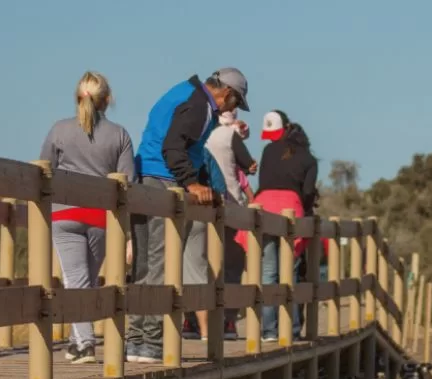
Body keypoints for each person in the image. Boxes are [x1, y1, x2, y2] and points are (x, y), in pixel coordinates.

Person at [127, 68, 250, 363]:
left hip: (144, 178)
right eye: (235, 103)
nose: (231, 109)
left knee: (144, 264)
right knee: (162, 262)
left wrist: (201, 180)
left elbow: (182, 148)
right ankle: (152, 343)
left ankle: (135, 340)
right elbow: (174, 147)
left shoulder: (184, 92)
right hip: (164, 182)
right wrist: (191, 183)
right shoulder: (200, 104)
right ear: (227, 94)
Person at [39, 71, 136, 364]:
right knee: (86, 279)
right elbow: (127, 182)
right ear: (107, 100)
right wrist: (129, 233)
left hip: (65, 212)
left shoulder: (59, 130)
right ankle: (76, 341)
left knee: (77, 280)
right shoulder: (119, 134)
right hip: (101, 217)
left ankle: (84, 344)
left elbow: (43, 169)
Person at [253, 110, 319, 341]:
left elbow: (263, 181)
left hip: (264, 205)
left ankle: (268, 331)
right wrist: (306, 207)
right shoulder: (308, 159)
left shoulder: (269, 150)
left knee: (268, 271)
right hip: (291, 208)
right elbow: (308, 192)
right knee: (289, 273)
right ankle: (290, 330)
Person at [204, 110, 258, 340]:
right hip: (229, 204)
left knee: (200, 262)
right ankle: (228, 322)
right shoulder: (228, 135)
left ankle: (192, 321)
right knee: (231, 265)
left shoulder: (201, 132)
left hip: (201, 205)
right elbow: (250, 165)